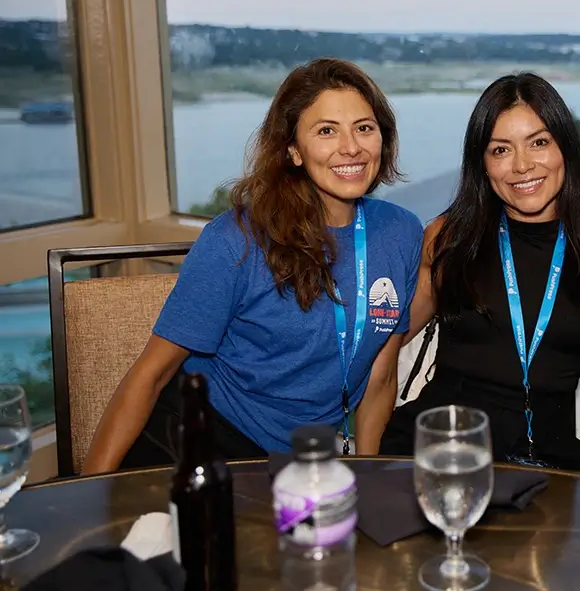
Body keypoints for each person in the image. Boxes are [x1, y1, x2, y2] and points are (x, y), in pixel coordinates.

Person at [82, 58, 423, 473]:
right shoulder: (236, 240)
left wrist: (368, 480)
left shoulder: (400, 233)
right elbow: (151, 374)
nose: (350, 147)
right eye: (326, 130)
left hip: (303, 461)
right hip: (202, 444)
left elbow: (380, 379)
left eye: (364, 128)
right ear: (293, 150)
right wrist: (87, 494)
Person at [378, 73, 580, 470]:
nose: (522, 166)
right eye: (500, 150)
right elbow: (385, 345)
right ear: (483, 164)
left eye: (539, 142)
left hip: (549, 469)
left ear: (566, 149)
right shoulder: (449, 239)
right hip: (437, 455)